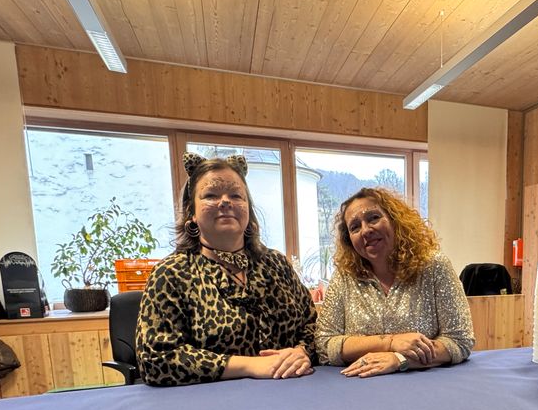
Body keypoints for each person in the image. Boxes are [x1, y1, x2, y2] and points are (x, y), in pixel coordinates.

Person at [136, 153, 316, 386]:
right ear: (191, 211)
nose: (225, 202)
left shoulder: (277, 264)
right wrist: (249, 365)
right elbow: (155, 360)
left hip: (292, 394)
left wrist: (302, 352)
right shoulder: (170, 274)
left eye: (236, 195)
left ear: (248, 209)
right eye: (211, 195)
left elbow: (313, 327)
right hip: (212, 405)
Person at [315, 186, 474, 377]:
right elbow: (324, 344)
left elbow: (459, 341)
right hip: (358, 386)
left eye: (373, 218)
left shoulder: (434, 266)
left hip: (424, 385)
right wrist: (389, 342)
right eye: (355, 227)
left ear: (395, 220)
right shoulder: (344, 276)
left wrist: (400, 360)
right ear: (349, 240)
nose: (366, 230)